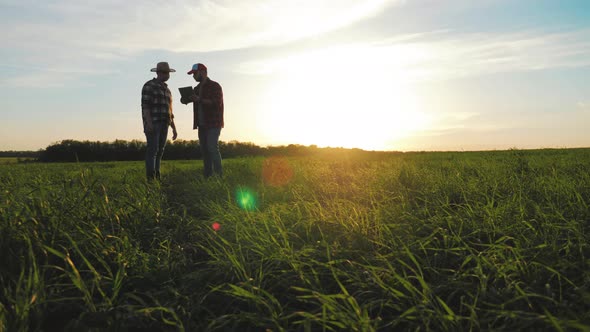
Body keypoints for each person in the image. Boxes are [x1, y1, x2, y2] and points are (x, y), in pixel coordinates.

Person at [181, 63, 224, 178]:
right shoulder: (196, 89)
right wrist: (185, 98)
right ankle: (208, 176)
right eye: (192, 74)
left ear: (203, 72)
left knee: (212, 147)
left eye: (195, 73)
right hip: (201, 124)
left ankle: (219, 176)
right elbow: (185, 100)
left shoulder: (215, 86)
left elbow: (216, 103)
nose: (193, 76)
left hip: (213, 123)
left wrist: (199, 99)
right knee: (205, 151)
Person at [141, 61, 178, 181]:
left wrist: (174, 127)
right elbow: (145, 106)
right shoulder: (149, 85)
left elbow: (170, 111)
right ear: (159, 73)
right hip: (154, 123)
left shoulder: (167, 90)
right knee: (153, 150)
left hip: (165, 123)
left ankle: (157, 175)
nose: (167, 75)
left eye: (168, 73)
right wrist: (149, 123)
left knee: (160, 151)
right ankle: (151, 179)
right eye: (166, 73)